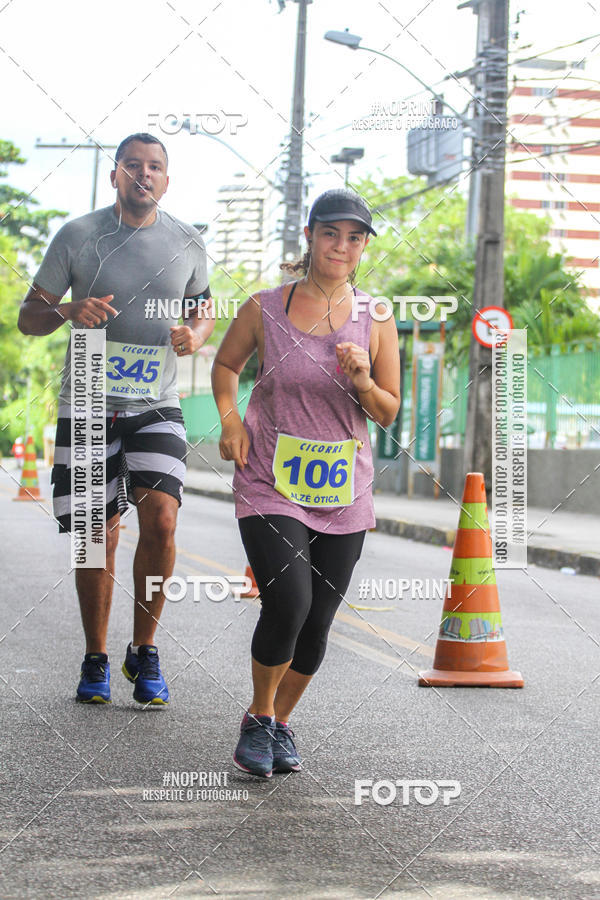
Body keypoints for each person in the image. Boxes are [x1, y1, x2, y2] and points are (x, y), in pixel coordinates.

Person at [18, 133, 213, 705]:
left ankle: (145, 651)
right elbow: (30, 318)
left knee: (162, 521)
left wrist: (193, 335)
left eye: (154, 167)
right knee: (94, 537)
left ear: (167, 180)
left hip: (157, 401)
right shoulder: (78, 235)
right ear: (116, 176)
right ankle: (96, 657)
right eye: (132, 166)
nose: (143, 175)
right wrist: (66, 310)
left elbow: (203, 306)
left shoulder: (187, 240)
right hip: (87, 403)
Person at [212, 188, 400, 777]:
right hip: (270, 477)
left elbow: (388, 411)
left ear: (363, 245)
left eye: (354, 237)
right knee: (288, 602)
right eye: (330, 234)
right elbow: (224, 367)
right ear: (310, 237)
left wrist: (364, 380)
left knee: (318, 621)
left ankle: (277, 722)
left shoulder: (378, 317)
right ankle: (260, 719)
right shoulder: (264, 307)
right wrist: (230, 419)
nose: (342, 247)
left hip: (344, 490)